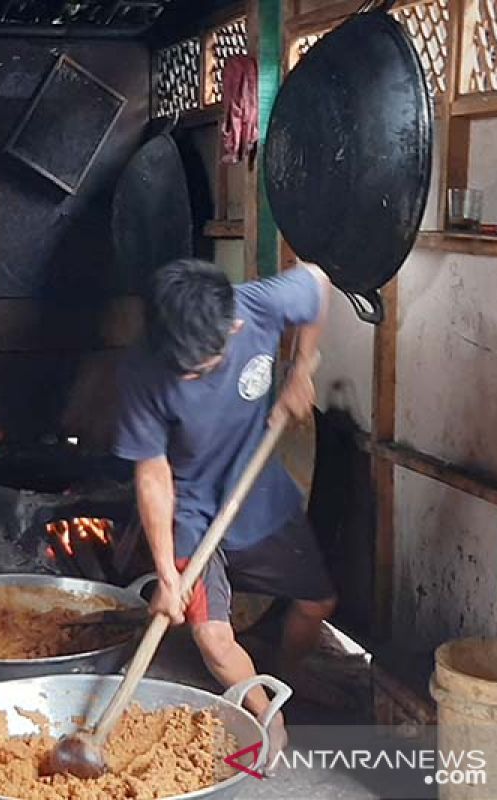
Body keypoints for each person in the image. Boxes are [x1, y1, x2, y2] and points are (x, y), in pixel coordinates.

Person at [113, 258, 335, 757]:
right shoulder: (142, 369)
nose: (188, 379)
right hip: (191, 508)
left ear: (233, 326)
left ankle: (287, 678)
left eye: (202, 368)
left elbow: (318, 284)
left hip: (257, 490)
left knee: (317, 603)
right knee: (213, 639)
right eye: (181, 370)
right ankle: (265, 712)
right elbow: (152, 473)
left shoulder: (255, 306)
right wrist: (168, 574)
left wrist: (301, 367)